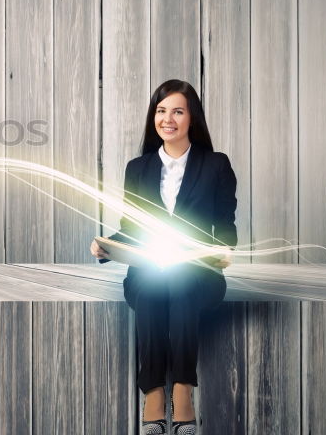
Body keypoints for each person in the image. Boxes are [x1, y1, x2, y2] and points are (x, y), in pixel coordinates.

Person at [89, 79, 237, 435]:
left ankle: (182, 391)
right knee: (154, 288)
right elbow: (131, 227)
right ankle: (154, 393)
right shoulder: (137, 168)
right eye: (160, 111)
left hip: (199, 275)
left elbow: (225, 225)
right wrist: (107, 245)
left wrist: (224, 250)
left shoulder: (215, 165)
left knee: (182, 283)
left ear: (192, 119)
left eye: (177, 111)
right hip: (150, 272)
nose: (167, 119)